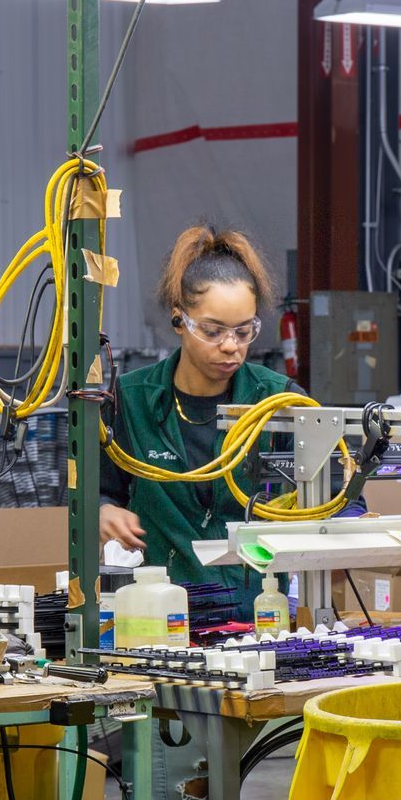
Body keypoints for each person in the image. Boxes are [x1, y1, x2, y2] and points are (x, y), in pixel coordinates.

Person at [99, 225, 294, 604]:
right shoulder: (130, 401)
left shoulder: (279, 401)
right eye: (213, 330)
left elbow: (341, 498)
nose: (230, 347)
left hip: (257, 613)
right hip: (159, 614)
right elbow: (95, 490)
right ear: (179, 321)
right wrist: (103, 511)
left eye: (243, 331)